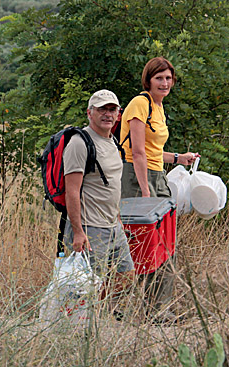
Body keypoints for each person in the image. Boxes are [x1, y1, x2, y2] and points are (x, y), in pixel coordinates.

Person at [120, 57, 199, 322]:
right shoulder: (139, 104)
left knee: (165, 243)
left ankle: (158, 310)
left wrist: (178, 158)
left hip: (156, 175)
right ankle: (118, 306)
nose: (164, 83)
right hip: (135, 177)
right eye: (159, 78)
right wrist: (145, 192)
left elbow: (153, 153)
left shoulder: (158, 107)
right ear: (148, 80)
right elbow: (138, 152)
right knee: (136, 244)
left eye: (168, 78)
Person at [63, 89, 135, 316]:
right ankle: (77, 324)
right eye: (101, 109)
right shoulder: (79, 143)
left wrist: (118, 220)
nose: (107, 114)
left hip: (113, 225)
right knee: (85, 285)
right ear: (89, 113)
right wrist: (77, 232)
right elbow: (71, 191)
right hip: (90, 227)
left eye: (112, 109)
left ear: (119, 114)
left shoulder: (112, 141)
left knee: (126, 275)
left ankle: (95, 312)